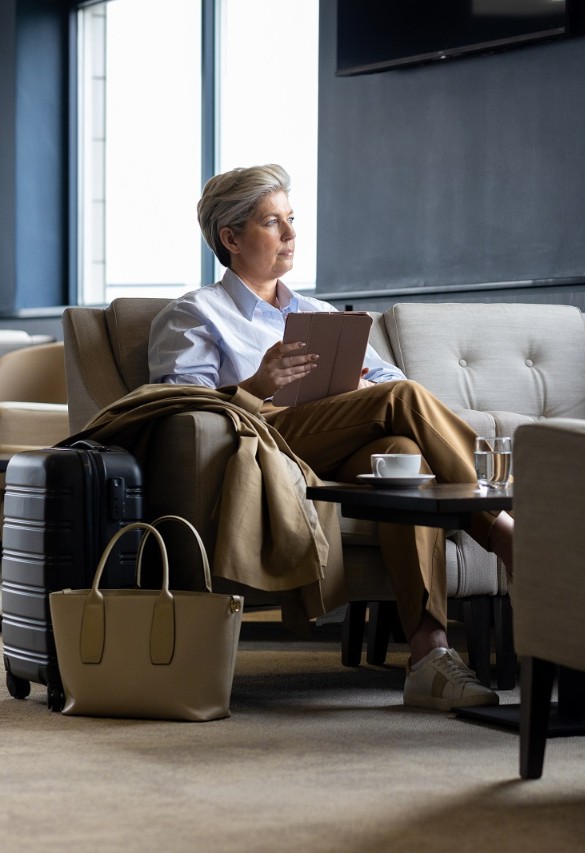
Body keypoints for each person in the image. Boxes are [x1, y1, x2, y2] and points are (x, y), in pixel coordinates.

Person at [148, 164, 515, 711]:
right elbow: (182, 412)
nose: (292, 235)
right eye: (274, 223)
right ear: (230, 238)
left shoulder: (318, 314)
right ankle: (506, 531)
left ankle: (428, 655)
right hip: (261, 441)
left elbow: (386, 380)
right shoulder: (196, 313)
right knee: (404, 398)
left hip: (335, 441)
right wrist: (256, 384)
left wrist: (362, 384)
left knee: (404, 454)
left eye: (291, 220)